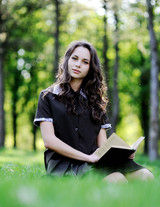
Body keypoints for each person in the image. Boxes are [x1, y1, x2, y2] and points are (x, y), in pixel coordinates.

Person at [34, 40, 154, 183]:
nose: (78, 64)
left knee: (146, 176)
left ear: (91, 68)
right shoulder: (48, 96)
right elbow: (49, 141)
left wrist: (121, 154)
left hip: (94, 161)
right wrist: (88, 157)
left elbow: (103, 145)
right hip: (64, 165)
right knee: (117, 179)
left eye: (85, 62)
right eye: (74, 58)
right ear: (67, 60)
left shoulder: (96, 101)